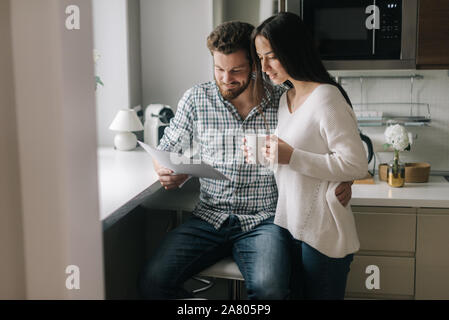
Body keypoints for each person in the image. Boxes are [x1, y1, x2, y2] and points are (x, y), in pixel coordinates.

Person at [138, 21, 353, 300]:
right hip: (208, 217)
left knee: (270, 291)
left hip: (264, 221)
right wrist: (163, 168)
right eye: (219, 69)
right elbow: (165, 149)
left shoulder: (283, 99)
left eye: (236, 70)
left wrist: (345, 177)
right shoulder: (196, 98)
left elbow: (332, 146)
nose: (226, 78)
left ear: (255, 64)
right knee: (152, 282)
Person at [247, 12, 368, 299]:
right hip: (290, 227)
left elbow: (355, 164)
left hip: (322, 234)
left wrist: (291, 157)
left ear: (293, 50)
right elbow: (302, 155)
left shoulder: (326, 97)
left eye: (271, 56)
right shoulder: (285, 98)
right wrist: (270, 154)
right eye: (260, 57)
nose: (264, 66)